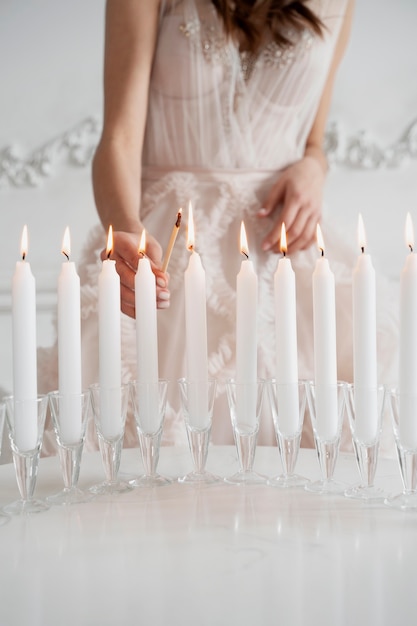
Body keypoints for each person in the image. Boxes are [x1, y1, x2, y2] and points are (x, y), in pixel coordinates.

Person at [38, 0, 398, 456]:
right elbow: (118, 138)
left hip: (286, 259)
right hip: (167, 254)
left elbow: (313, 141)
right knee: (151, 463)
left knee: (307, 471)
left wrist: (313, 168)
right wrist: (124, 229)